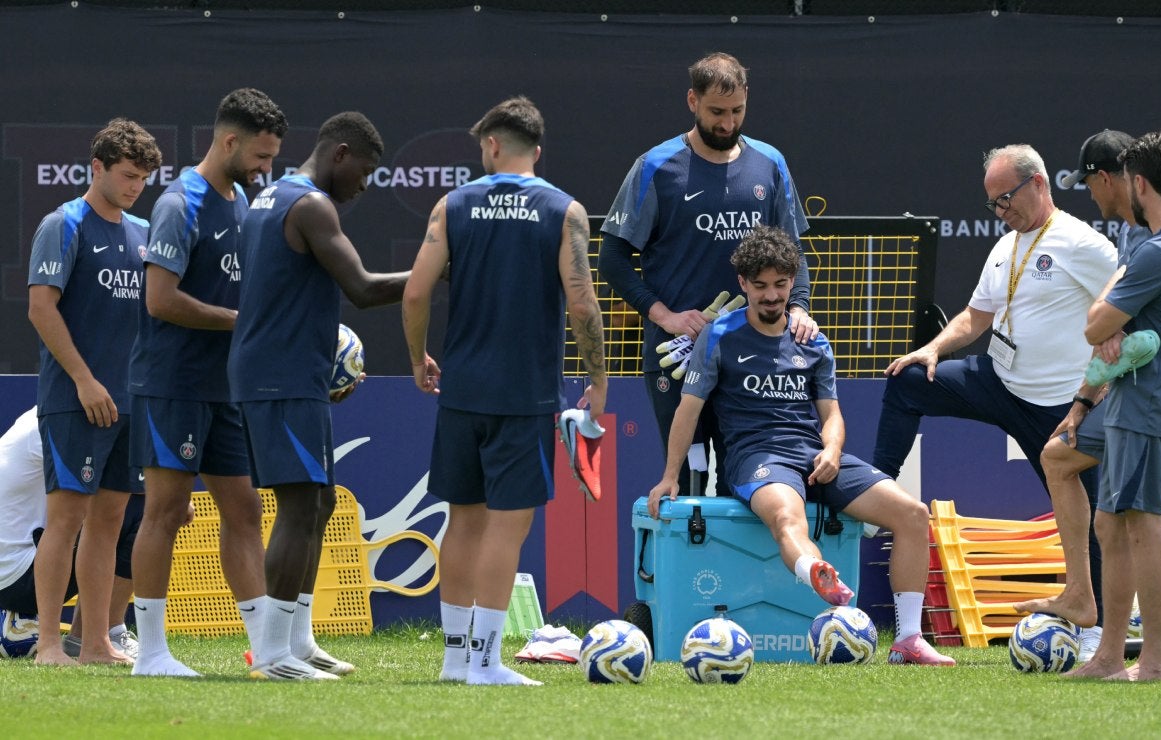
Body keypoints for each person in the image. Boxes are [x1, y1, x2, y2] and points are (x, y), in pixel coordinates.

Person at [648, 225, 954, 666]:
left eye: (779, 285)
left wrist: (831, 452)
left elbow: (831, 416)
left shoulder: (814, 341)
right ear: (743, 285)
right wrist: (669, 477)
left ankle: (909, 639)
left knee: (913, 514)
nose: (771, 296)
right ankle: (816, 572)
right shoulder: (719, 336)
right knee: (788, 518)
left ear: (792, 282)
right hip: (756, 458)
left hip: (813, 455)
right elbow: (688, 410)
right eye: (760, 286)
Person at [872, 143, 1117, 655]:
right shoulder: (1005, 247)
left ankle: (1096, 633)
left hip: (1059, 407)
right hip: (999, 382)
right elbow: (975, 318)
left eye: (1006, 200)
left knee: (1091, 517)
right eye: (993, 205)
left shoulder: (1084, 244)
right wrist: (933, 348)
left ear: (1039, 184)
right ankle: (876, 496)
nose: (1001, 213)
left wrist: (1100, 390)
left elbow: (1125, 308)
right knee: (907, 381)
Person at [1016, 130, 1161, 676]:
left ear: (1117, 179)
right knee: (1093, 489)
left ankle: (1160, 656)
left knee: (1160, 519)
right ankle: (1108, 635)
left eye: (1089, 182)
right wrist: (1084, 401)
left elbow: (1101, 324)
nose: (1089, 195)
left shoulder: (1159, 238)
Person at [403, 96, 607, 686]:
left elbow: (416, 294)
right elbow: (582, 305)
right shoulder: (565, 210)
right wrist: (597, 380)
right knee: (507, 527)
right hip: (524, 396)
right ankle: (486, 663)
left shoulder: (452, 205)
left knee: (462, 523)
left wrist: (419, 359)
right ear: (536, 151)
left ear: (492, 145)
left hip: (462, 390)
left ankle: (454, 661)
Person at [228, 111, 410, 681]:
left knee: (320, 502)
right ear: (340, 153)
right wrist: (438, 267)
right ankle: (273, 654)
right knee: (299, 504)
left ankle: (299, 643)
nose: (365, 183)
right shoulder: (308, 205)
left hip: (291, 373)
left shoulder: (273, 198)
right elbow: (360, 288)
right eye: (365, 170)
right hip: (279, 375)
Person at [599, 52, 816, 497]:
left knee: (751, 477)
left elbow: (793, 252)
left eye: (737, 111)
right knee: (686, 482)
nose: (727, 123)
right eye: (716, 112)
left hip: (753, 352)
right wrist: (666, 317)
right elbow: (613, 259)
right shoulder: (655, 167)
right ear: (692, 101)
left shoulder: (770, 163)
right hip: (678, 352)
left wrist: (799, 308)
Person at [128, 88, 287, 677]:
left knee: (244, 511)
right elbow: (160, 300)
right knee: (165, 512)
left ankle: (266, 652)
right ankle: (151, 654)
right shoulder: (180, 203)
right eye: (260, 157)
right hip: (172, 383)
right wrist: (241, 324)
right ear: (229, 141)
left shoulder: (245, 202)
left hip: (226, 389)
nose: (266, 169)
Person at [1072, 131, 1161, 682]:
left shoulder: (1159, 252)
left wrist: (1114, 309)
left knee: (1144, 525)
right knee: (1114, 519)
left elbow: (1093, 327)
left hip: (1148, 404)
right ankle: (1110, 655)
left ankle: (1154, 660)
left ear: (1138, 183)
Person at [26, 119, 162, 665]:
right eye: (127, 176)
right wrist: (84, 380)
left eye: (144, 179)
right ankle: (48, 642)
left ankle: (98, 643)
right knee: (66, 520)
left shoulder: (145, 231)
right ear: (97, 168)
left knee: (108, 522)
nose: (135, 187)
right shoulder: (63, 224)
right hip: (75, 398)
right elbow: (41, 308)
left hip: (131, 402)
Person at [0, 406, 146, 660]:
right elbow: (112, 491)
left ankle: (87, 635)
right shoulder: (68, 421)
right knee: (137, 511)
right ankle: (103, 631)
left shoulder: (44, 416)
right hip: (18, 578)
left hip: (15, 570)